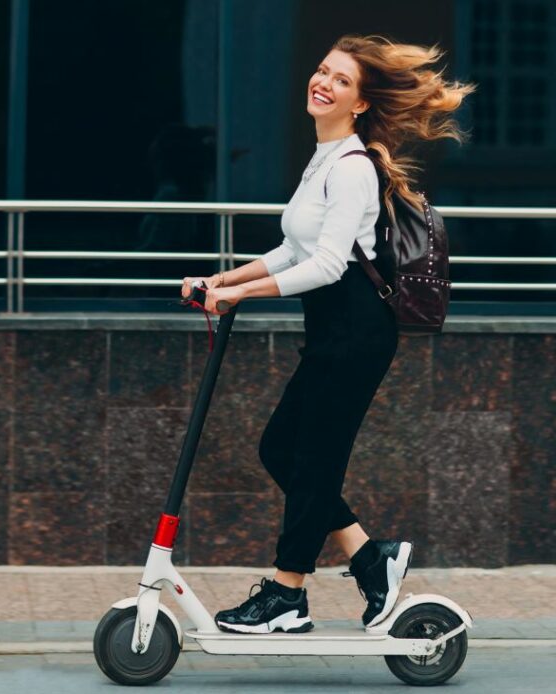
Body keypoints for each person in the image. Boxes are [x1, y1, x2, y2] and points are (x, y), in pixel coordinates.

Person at [180, 34, 474, 634]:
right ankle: (371, 559)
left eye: (341, 80)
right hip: (332, 333)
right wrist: (221, 277)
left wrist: (237, 296)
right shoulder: (324, 157)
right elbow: (294, 248)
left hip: (357, 333)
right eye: (322, 71)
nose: (324, 83)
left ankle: (287, 595)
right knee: (281, 451)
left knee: (313, 461)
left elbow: (328, 264)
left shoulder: (355, 169)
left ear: (360, 103)